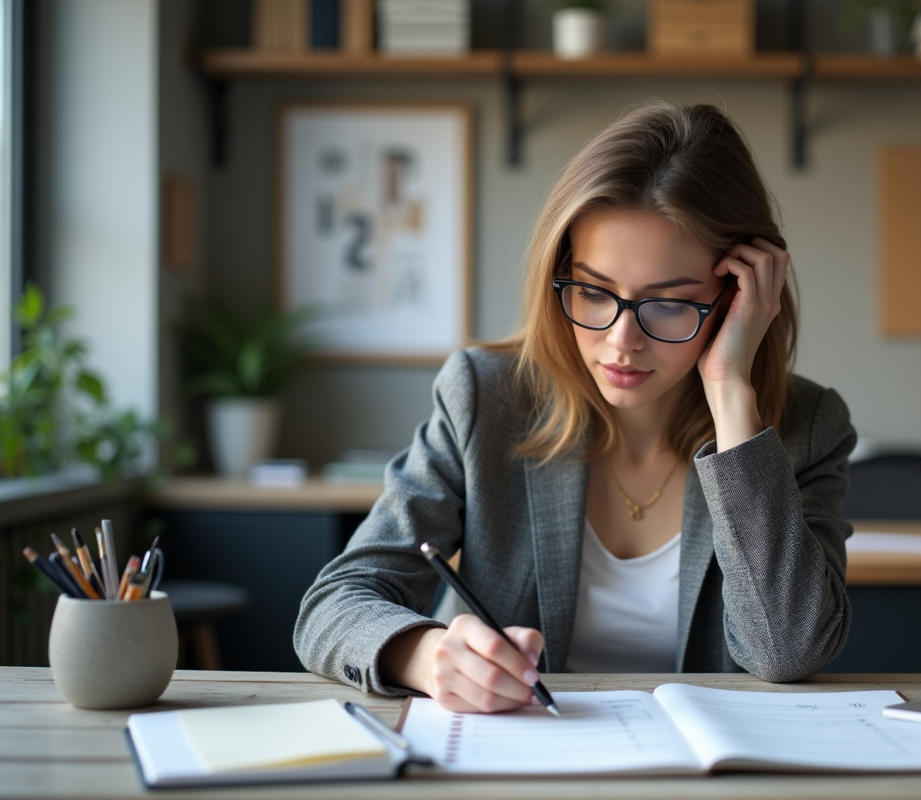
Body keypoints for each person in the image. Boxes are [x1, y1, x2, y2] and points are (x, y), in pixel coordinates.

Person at [295, 101, 856, 714]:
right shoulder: (486, 397)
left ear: (740, 298)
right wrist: (427, 657)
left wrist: (730, 393)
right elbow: (336, 602)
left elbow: (789, 651)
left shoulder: (806, 427)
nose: (622, 340)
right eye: (592, 292)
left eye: (669, 304)